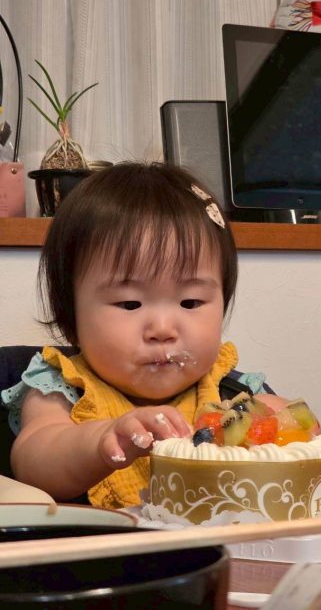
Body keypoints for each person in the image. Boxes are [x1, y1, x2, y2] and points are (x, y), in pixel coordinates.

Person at [1, 162, 286, 509]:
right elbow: (35, 462)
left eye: (190, 302)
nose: (163, 329)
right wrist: (102, 440)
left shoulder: (231, 390)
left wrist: (287, 427)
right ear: (71, 317)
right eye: (130, 304)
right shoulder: (59, 388)